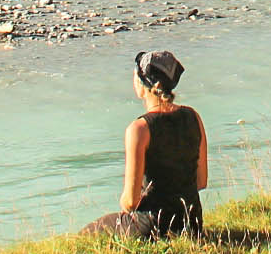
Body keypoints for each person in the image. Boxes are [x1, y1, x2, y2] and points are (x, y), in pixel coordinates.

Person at [83, 49, 207, 239]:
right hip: (192, 223)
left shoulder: (139, 129)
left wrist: (126, 204)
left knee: (91, 230)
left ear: (143, 85)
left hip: (151, 227)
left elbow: (130, 202)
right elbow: (201, 181)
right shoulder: (193, 117)